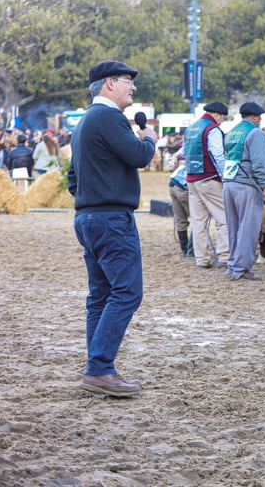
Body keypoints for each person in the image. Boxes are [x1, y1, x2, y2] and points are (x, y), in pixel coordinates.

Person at [67, 60, 156, 397]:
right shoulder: (108, 117)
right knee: (127, 292)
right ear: (108, 84)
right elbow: (138, 156)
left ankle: (97, 366)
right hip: (110, 218)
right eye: (127, 81)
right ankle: (100, 368)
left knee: (101, 296)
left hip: (89, 217)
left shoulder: (85, 122)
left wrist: (91, 199)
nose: (132, 87)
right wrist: (147, 139)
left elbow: (72, 178)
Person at [223, 102, 265, 281]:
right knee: (249, 228)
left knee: (234, 227)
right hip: (247, 184)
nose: (260, 119)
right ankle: (242, 268)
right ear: (253, 117)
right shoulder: (256, 133)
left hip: (229, 183)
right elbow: (260, 164)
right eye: (259, 116)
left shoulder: (232, 132)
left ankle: (233, 265)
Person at [184, 102, 230, 270]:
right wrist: (226, 177)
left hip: (192, 180)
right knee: (223, 218)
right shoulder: (212, 129)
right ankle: (225, 256)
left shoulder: (191, 128)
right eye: (222, 118)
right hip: (209, 178)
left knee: (198, 222)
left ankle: (202, 259)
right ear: (218, 115)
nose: (222, 121)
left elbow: (184, 153)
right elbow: (217, 154)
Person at [167, 152, 193, 257]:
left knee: (180, 219)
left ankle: (185, 249)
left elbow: (177, 156)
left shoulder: (187, 145)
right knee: (199, 219)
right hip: (184, 185)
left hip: (174, 182)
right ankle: (191, 251)